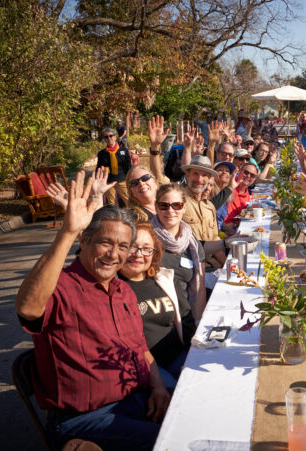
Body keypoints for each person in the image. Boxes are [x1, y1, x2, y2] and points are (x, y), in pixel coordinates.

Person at [15, 174, 170, 450]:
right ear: (84, 241)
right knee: (172, 443)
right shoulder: (61, 286)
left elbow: (140, 348)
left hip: (137, 400)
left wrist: (158, 387)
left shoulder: (122, 291)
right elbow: (28, 308)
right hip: (84, 419)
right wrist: (67, 231)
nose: (114, 254)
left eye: (123, 246)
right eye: (105, 243)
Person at [119, 222, 194, 390]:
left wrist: (194, 354)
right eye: (132, 247)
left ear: (154, 254)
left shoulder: (164, 279)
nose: (138, 254)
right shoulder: (114, 288)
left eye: (146, 248)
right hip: (144, 368)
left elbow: (186, 316)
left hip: (178, 356)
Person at [152, 183, 207, 322]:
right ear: (156, 207)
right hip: (158, 318)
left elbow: (199, 288)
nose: (170, 211)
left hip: (185, 315)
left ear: (184, 207)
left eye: (176, 205)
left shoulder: (192, 243)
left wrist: (197, 323)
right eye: (164, 206)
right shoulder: (146, 239)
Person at [96, 127, 132, 206]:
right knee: (112, 204)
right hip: (109, 181)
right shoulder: (102, 153)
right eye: (106, 137)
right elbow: (99, 168)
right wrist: (98, 180)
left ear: (115, 137)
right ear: (104, 139)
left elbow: (128, 166)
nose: (109, 138)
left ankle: (133, 217)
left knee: (129, 201)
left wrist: (130, 178)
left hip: (122, 179)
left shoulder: (123, 150)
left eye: (111, 136)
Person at [224, 162, 259, 228]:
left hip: (237, 227)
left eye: (252, 175)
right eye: (246, 172)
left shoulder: (248, 196)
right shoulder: (229, 185)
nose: (248, 176)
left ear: (254, 179)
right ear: (240, 171)